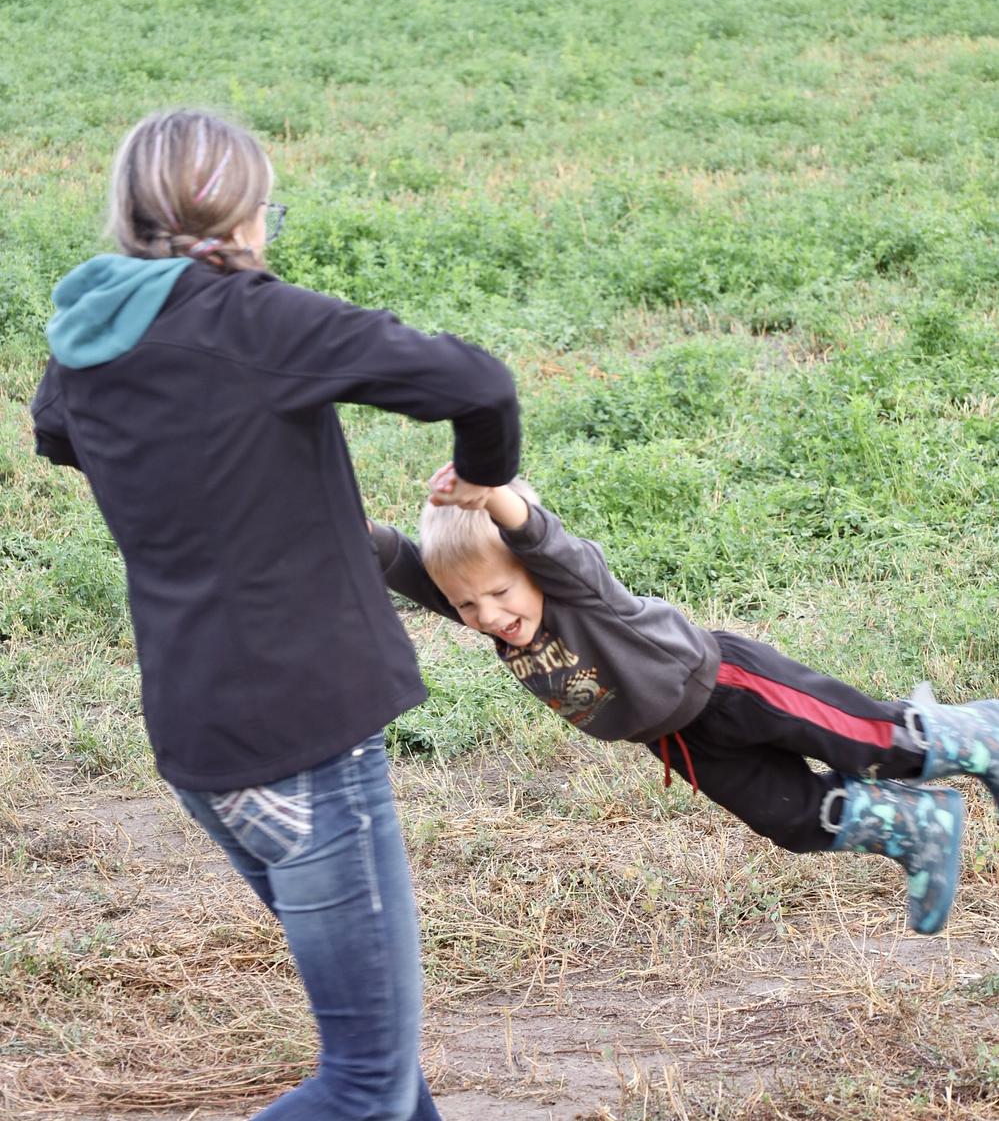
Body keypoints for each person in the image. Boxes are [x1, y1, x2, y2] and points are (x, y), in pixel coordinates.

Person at [30, 109, 521, 1121]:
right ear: (246, 217)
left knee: (385, 1069)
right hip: (308, 737)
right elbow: (476, 383)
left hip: (201, 738)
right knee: (366, 1085)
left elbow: (56, 432)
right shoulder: (256, 320)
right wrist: (483, 479)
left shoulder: (85, 339)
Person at [371, 465, 999, 937]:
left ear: (533, 572)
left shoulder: (574, 587)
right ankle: (915, 826)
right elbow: (399, 560)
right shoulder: (492, 610)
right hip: (676, 739)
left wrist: (491, 493)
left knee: (870, 741)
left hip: (733, 687)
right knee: (790, 818)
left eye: (499, 594)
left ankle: (976, 734)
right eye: (466, 605)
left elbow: (540, 537)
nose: (487, 615)